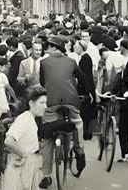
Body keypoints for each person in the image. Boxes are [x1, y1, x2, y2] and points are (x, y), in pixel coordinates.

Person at [38, 36, 90, 187]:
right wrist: (86, 94)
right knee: (77, 122)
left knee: (47, 138)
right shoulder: (72, 61)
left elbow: (42, 83)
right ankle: (79, 148)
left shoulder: (43, 62)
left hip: (51, 102)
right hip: (71, 100)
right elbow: (83, 78)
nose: (47, 49)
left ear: (54, 48)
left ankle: (46, 175)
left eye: (49, 47)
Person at [1, 85, 49, 190]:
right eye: (42, 102)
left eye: (45, 102)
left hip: (27, 170)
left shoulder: (30, 118)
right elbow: (9, 140)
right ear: (31, 103)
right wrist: (24, 155)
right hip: (19, 171)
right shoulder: (25, 119)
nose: (45, 106)